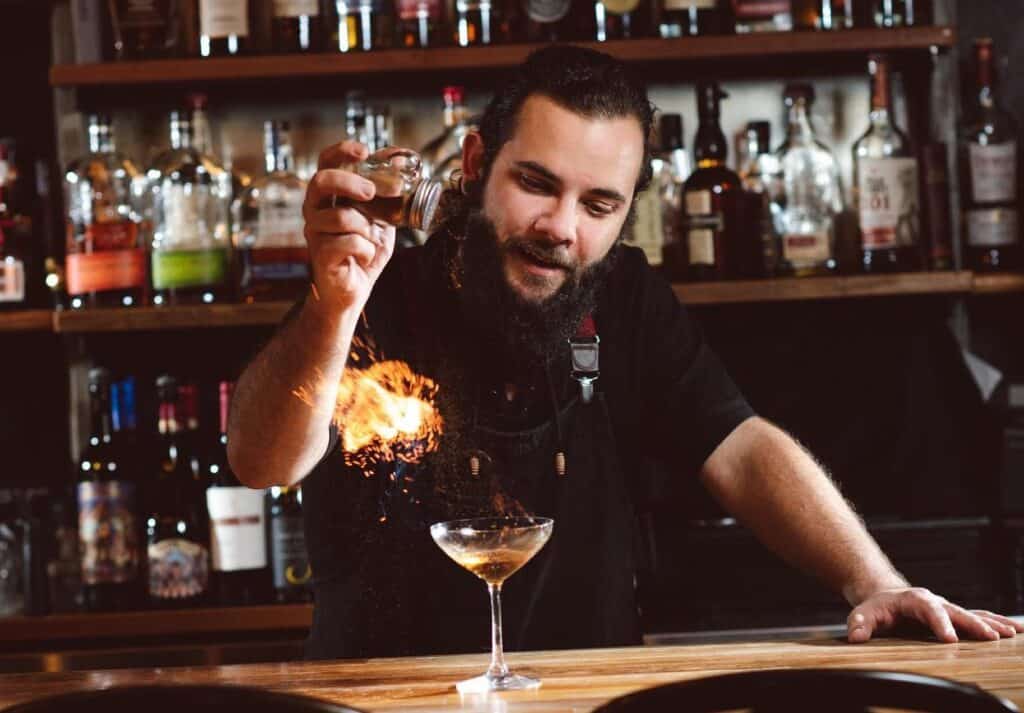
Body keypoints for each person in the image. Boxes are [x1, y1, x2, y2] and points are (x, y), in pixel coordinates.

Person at [228, 46, 1022, 660]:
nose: (562, 226)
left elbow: (739, 444)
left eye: (598, 203)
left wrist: (874, 581)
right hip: (386, 696)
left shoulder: (624, 295)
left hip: (592, 691)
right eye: (536, 183)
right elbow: (263, 461)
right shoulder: (374, 280)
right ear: (476, 166)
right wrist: (334, 309)